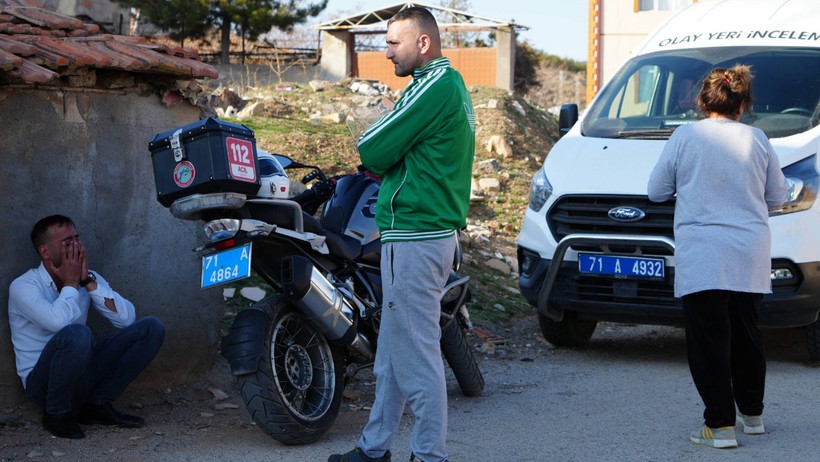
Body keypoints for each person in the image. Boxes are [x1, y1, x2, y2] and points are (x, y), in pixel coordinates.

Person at [328, 6, 475, 462]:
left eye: (393, 42)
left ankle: (430, 455)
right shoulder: (446, 85)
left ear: (423, 43)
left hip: (415, 234)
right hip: (426, 233)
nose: (386, 51)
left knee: (415, 353)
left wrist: (382, 153)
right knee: (393, 353)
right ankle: (374, 449)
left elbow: (372, 147)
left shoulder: (432, 85)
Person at [647, 65, 789, 449]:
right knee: (746, 331)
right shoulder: (758, 139)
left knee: (709, 339)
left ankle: (719, 425)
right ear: (742, 105)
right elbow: (778, 196)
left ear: (701, 101)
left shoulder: (685, 136)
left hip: (704, 252)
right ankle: (753, 415)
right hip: (749, 251)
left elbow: (657, 190)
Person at [8, 215, 166, 439]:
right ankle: (57, 414)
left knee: (151, 328)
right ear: (45, 252)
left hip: (82, 374)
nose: (77, 247)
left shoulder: (86, 278)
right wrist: (71, 283)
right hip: (43, 384)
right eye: (67, 242)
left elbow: (126, 319)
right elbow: (59, 323)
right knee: (77, 333)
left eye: (77, 239)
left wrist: (87, 282)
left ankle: (96, 405)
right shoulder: (23, 286)